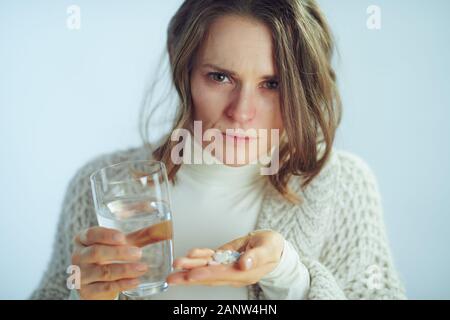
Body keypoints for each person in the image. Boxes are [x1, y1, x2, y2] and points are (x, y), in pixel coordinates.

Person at [30, 0, 406, 300]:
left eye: (272, 83)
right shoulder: (100, 189)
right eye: (220, 77)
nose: (241, 113)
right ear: (186, 75)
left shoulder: (342, 184)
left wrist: (289, 275)